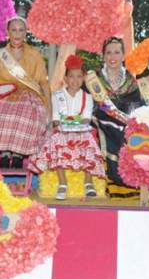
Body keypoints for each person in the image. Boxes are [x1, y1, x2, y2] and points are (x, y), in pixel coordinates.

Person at [0, 17, 50, 169]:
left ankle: (18, 154)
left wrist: (48, 106)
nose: (17, 34)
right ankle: (5, 153)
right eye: (13, 30)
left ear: (26, 33)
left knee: (24, 116)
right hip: (2, 94)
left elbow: (43, 82)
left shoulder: (35, 55)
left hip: (27, 95)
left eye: (21, 30)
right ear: (8, 32)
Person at [31, 55, 105, 200]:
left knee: (89, 143)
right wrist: (63, 123)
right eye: (71, 76)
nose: (75, 80)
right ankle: (62, 183)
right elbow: (56, 118)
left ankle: (88, 181)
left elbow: (86, 118)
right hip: (62, 131)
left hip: (82, 132)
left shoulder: (87, 97)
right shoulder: (57, 95)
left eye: (79, 77)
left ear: (83, 78)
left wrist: (73, 122)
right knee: (56, 142)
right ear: (65, 78)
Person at [89, 36, 146, 198]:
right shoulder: (94, 79)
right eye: (108, 53)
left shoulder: (131, 81)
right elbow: (90, 106)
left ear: (123, 55)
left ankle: (131, 180)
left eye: (116, 52)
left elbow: (136, 107)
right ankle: (111, 181)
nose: (112, 57)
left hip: (126, 120)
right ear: (103, 56)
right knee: (110, 128)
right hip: (100, 120)